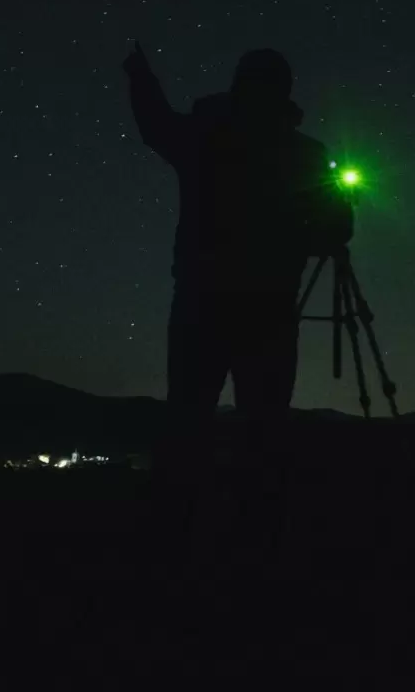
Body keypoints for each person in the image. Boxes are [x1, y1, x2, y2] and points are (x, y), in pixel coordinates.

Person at [123, 40, 353, 538]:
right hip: (269, 314)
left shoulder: (204, 136)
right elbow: (334, 233)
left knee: (187, 418)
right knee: (264, 429)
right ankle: (259, 535)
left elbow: (155, 125)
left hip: (200, 304)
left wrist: (138, 72)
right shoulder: (307, 154)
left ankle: (173, 528)